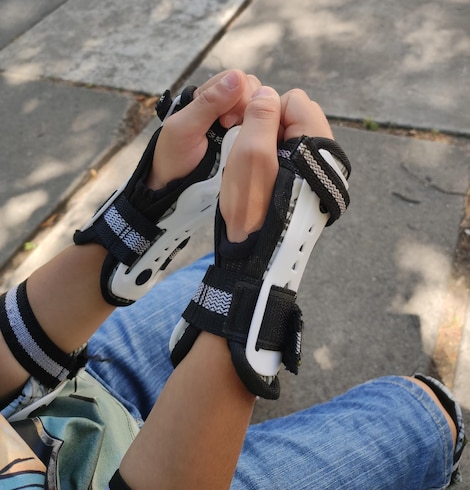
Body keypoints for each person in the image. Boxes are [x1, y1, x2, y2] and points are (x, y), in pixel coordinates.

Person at [0, 70, 466, 490]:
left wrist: (146, 207)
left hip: (52, 402)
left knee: (203, 284)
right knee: (425, 413)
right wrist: (253, 279)